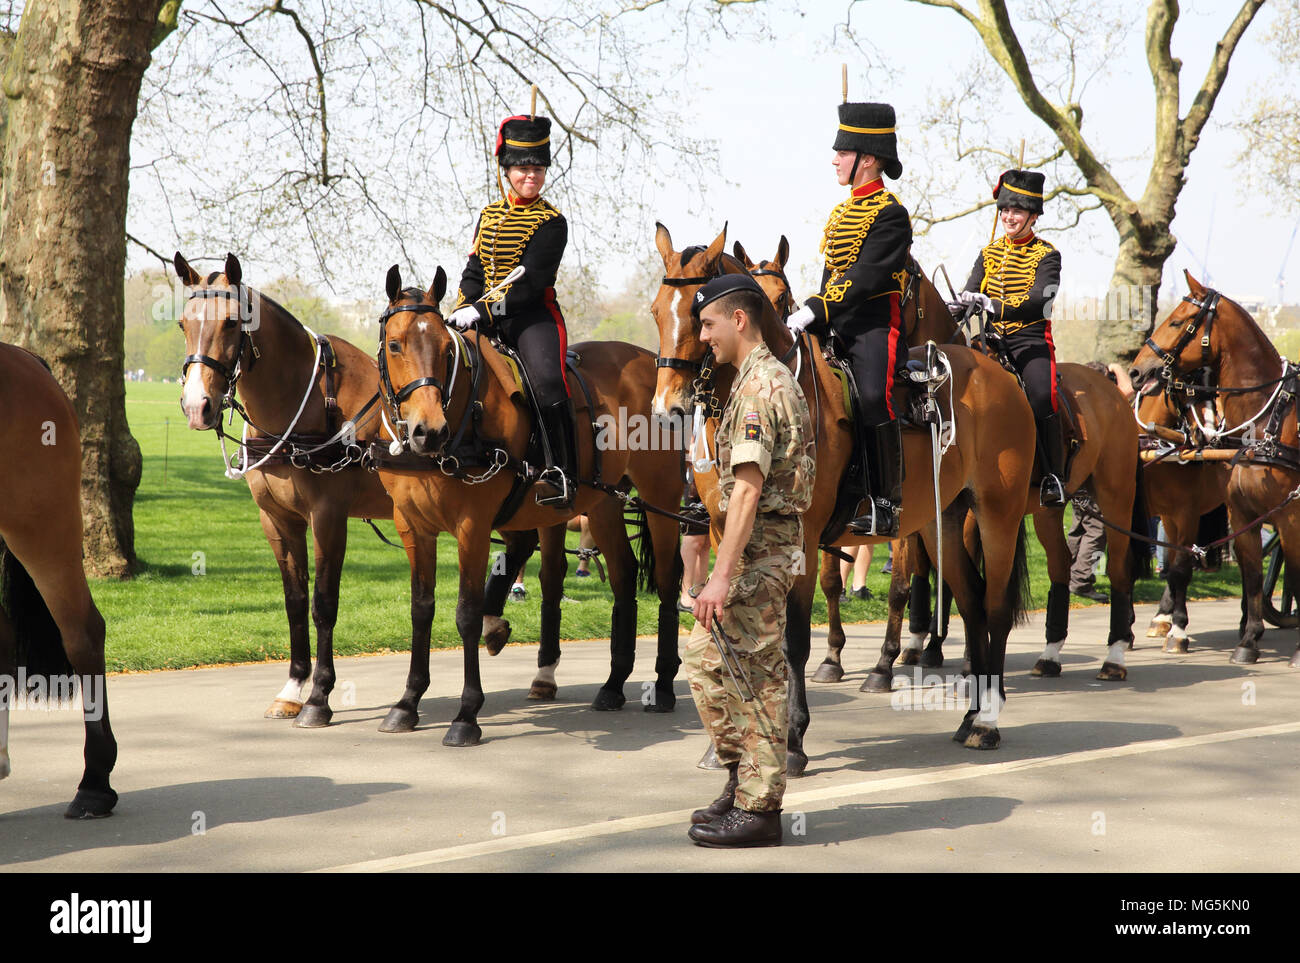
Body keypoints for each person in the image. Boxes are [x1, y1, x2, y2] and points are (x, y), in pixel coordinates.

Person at [684, 273, 815, 848]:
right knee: (708, 662)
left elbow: (748, 491)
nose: (703, 336)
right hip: (753, 554)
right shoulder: (747, 381)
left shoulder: (762, 387)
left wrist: (718, 576)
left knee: (756, 679)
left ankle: (761, 809)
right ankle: (742, 780)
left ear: (739, 320)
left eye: (708, 325)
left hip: (759, 558)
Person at [785, 101, 911, 537]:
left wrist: (818, 308)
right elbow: (831, 277)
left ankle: (884, 501)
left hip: (875, 326)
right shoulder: (840, 214)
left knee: (874, 395)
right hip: (836, 324)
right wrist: (809, 313)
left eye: (843, 152)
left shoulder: (891, 214)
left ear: (867, 159)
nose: (835, 159)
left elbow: (866, 277)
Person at [446, 112, 576, 508]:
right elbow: (474, 269)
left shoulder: (552, 222)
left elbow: (531, 284)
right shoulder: (488, 216)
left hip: (531, 317)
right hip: (479, 315)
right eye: (522, 167)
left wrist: (482, 313)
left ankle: (563, 473)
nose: (531, 175)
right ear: (507, 171)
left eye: (538, 167)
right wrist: (465, 303)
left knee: (548, 381)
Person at [953, 168, 1066, 507]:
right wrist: (959, 303)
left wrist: (993, 304)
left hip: (1030, 341)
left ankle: (1053, 476)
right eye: (1004, 210)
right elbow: (970, 292)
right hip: (990, 342)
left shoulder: (1047, 255)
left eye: (1016, 211)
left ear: (1033, 215)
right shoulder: (988, 254)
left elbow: (1038, 301)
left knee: (1042, 397)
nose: (1008, 217)